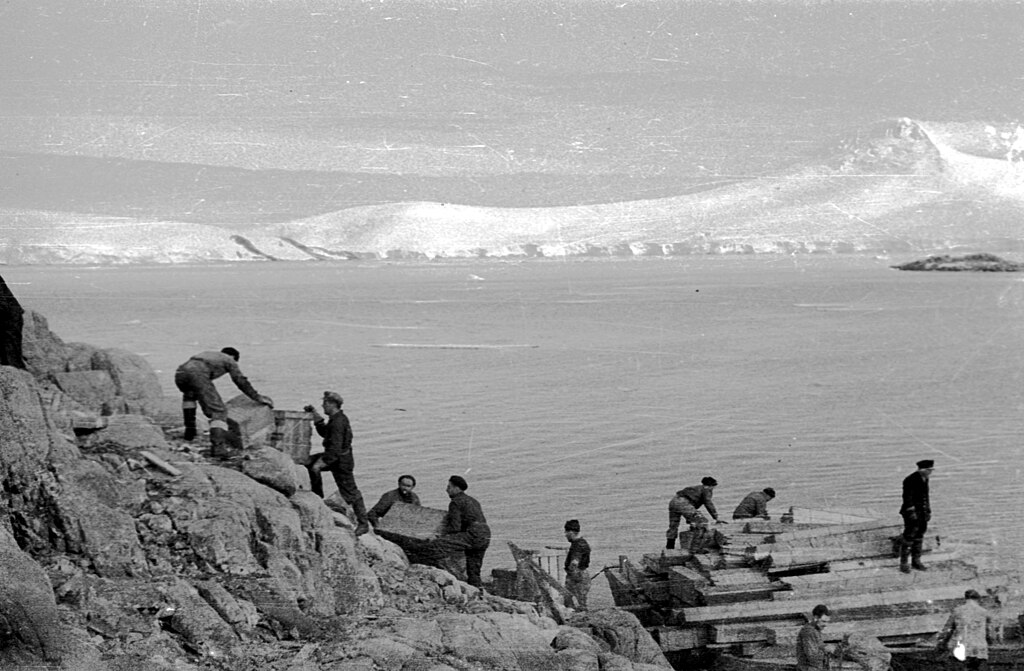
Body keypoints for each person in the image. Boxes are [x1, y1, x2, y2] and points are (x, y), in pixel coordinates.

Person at [174, 347, 273, 456]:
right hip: (197, 374)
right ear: (233, 357)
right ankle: (218, 448)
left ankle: (190, 432)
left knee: (190, 396)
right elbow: (240, 381)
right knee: (219, 412)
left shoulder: (208, 355)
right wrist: (257, 397)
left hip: (180, 373)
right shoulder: (229, 360)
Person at [304, 391, 369, 536]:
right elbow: (326, 432)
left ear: (332, 404)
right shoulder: (336, 418)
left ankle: (363, 524)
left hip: (341, 461)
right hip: (336, 457)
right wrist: (315, 415)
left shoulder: (338, 422)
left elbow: (335, 447)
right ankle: (317, 497)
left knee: (350, 491)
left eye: (324, 404)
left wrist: (323, 462)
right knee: (307, 463)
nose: (323, 406)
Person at [430, 475, 491, 588]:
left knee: (436, 545)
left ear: (457, 488)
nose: (446, 490)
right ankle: (478, 591)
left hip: (472, 533)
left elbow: (455, 527)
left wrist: (440, 535)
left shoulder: (455, 502)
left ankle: (440, 577)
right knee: (474, 568)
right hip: (485, 534)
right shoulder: (473, 500)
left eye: (449, 487)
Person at [936, 589, 995, 671]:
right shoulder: (984, 612)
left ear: (965, 598)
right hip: (979, 648)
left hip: (962, 647)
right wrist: (990, 642)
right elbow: (990, 633)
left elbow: (948, 630)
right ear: (978, 599)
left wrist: (942, 643)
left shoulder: (957, 611)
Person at [665, 476, 726, 549]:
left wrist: (691, 519)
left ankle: (670, 547)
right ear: (710, 486)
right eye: (713, 487)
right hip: (683, 504)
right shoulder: (706, 490)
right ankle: (695, 549)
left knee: (673, 526)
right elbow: (708, 503)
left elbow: (691, 506)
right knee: (702, 522)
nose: (713, 489)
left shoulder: (696, 488)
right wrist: (716, 517)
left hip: (674, 502)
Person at [899, 459, 934, 573]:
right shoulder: (910, 480)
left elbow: (926, 496)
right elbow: (907, 498)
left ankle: (916, 561)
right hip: (912, 513)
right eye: (929, 470)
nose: (931, 472)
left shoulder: (925, 479)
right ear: (922, 470)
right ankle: (904, 563)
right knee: (909, 536)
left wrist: (928, 511)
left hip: (922, 512)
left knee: (919, 535)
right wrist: (911, 513)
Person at [562, 519, 591, 610]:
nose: (565, 534)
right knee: (579, 601)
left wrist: (572, 574)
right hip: (582, 574)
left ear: (571, 532)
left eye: (566, 532)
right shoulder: (582, 542)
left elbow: (575, 562)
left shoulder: (577, 545)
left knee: (577, 603)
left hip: (577, 575)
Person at [796, 604, 833, 671]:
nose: (825, 625)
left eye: (827, 622)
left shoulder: (815, 630)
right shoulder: (808, 631)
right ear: (816, 618)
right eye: (823, 621)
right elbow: (812, 656)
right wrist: (825, 650)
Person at [0, 273, 26, 369]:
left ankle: (23, 381)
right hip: (7, 318)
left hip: (9, 320)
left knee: (11, 359)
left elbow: (3, 306)